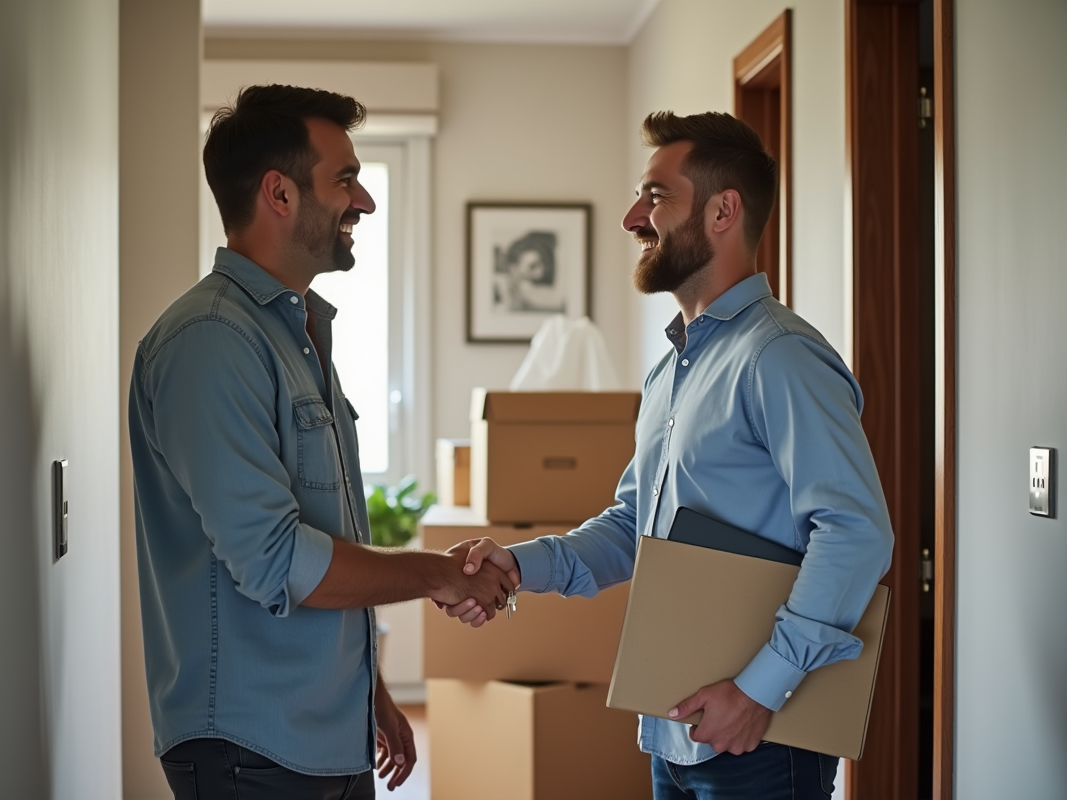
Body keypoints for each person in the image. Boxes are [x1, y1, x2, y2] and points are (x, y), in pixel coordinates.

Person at [444, 111, 895, 799]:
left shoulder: (780, 358)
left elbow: (857, 532)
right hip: (675, 726)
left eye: (654, 197)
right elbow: (633, 527)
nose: (632, 218)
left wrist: (758, 690)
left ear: (723, 210)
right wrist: (519, 565)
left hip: (760, 738)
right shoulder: (671, 371)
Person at [128, 84, 516, 800]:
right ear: (279, 194)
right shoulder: (211, 342)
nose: (363, 202)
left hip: (314, 735)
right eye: (345, 179)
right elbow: (277, 560)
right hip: (251, 750)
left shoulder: (295, 333)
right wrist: (436, 573)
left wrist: (366, 693)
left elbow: (322, 531)